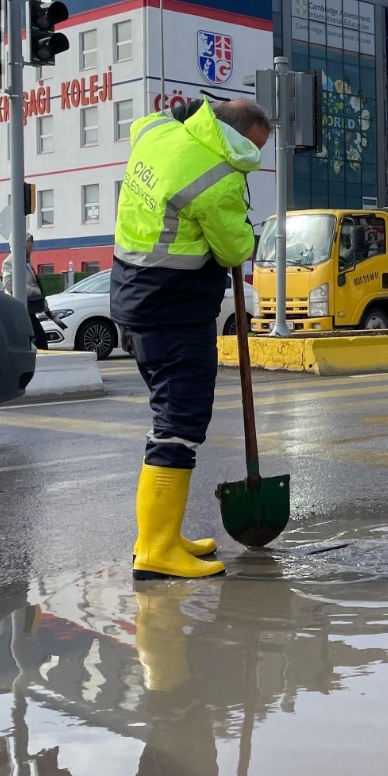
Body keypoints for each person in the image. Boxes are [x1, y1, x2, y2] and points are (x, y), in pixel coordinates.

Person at [110, 96, 272, 580]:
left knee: (170, 417)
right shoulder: (217, 178)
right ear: (235, 137)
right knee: (177, 425)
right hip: (173, 310)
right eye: (254, 148)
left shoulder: (156, 134)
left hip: (135, 296)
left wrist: (194, 111)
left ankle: (158, 534)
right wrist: (245, 225)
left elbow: (154, 116)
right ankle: (156, 550)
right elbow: (235, 249)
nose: (251, 158)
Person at [1, 234, 50, 349]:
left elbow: (34, 282)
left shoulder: (25, 261)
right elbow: (9, 284)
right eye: (29, 242)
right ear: (22, 243)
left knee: (38, 339)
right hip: (20, 307)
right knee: (38, 340)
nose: (32, 245)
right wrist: (35, 292)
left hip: (28, 307)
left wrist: (43, 302)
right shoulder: (11, 261)